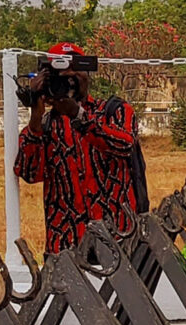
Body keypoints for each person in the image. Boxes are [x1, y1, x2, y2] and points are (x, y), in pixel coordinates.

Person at [14, 42, 139, 255]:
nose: (70, 76)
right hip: (65, 243)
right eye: (62, 72)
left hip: (117, 239)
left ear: (86, 74)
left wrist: (79, 116)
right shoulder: (44, 124)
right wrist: (35, 114)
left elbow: (125, 145)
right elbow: (29, 173)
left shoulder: (114, 111)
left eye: (75, 69)